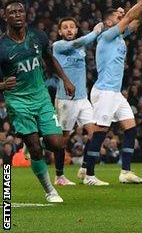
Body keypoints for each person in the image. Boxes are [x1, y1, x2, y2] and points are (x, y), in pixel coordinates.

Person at [0, 0, 75, 202]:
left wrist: (66, 79)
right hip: (18, 101)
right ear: (5, 17)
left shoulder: (38, 36)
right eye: (12, 12)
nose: (17, 15)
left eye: (20, 11)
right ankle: (50, 190)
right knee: (35, 148)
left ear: (25, 14)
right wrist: (2, 85)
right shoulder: (2, 47)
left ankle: (37, 136)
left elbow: (49, 59)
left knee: (57, 144)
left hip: (41, 97)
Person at [85, 0, 142, 185]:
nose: (122, 18)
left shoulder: (120, 36)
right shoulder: (107, 36)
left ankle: (125, 172)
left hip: (115, 93)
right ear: (109, 23)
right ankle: (89, 174)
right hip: (104, 91)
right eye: (117, 17)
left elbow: (136, 20)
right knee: (100, 131)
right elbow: (128, 18)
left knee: (131, 127)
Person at [53, 18, 103, 186]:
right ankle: (59, 176)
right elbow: (77, 43)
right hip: (66, 100)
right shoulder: (58, 46)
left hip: (83, 99)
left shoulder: (80, 47)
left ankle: (87, 172)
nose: (69, 30)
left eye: (72, 27)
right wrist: (95, 32)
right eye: (65, 28)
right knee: (63, 139)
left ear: (76, 30)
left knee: (94, 133)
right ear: (60, 32)